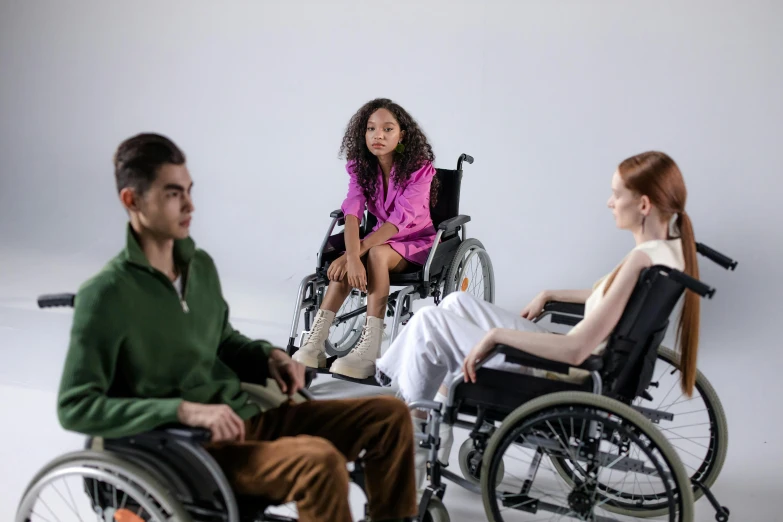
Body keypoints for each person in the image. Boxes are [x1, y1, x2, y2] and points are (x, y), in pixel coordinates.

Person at [56, 133, 418, 522]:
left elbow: (223, 340)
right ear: (132, 200)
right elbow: (75, 406)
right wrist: (186, 411)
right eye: (173, 194)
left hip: (245, 418)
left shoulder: (199, 267)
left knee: (389, 415)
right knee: (318, 463)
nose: (190, 205)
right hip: (194, 450)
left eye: (189, 191)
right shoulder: (107, 294)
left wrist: (270, 357)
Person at [375, 150, 701, 480]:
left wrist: (497, 336)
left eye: (617, 194)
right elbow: (612, 300)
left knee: (429, 321)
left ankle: (415, 436)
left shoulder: (640, 260)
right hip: (569, 360)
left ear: (643, 205)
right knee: (456, 303)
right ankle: (428, 414)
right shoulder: (667, 251)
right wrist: (551, 294)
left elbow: (576, 350)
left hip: (559, 369)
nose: (609, 202)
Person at [293, 98, 440, 380]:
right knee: (356, 254)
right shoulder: (362, 168)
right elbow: (352, 213)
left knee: (372, 254)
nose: (378, 136)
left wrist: (356, 253)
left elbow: (399, 221)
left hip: (416, 240)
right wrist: (350, 257)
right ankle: (315, 342)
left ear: (401, 135)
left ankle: (370, 347)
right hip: (378, 238)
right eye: (371, 129)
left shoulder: (419, 168)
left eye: (387, 129)